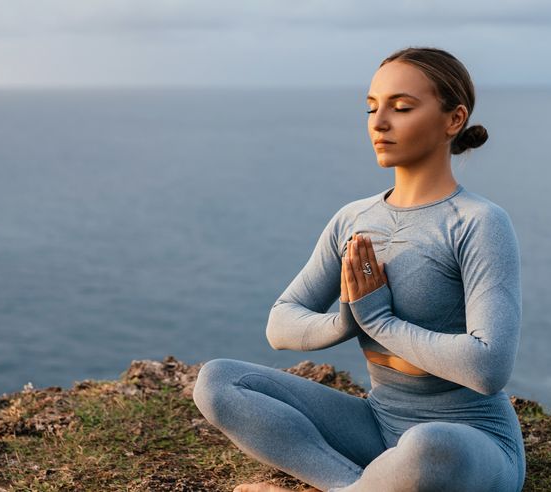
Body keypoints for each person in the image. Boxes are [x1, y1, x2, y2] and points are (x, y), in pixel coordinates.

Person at [192, 46, 526, 492]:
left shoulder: (478, 223)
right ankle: (348, 485)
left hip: (469, 442)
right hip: (377, 424)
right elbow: (280, 324)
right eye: (372, 108)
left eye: (401, 107)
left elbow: (488, 368)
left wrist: (379, 321)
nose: (379, 122)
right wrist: (347, 319)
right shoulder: (353, 219)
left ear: (453, 119)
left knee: (428, 448)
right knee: (219, 382)